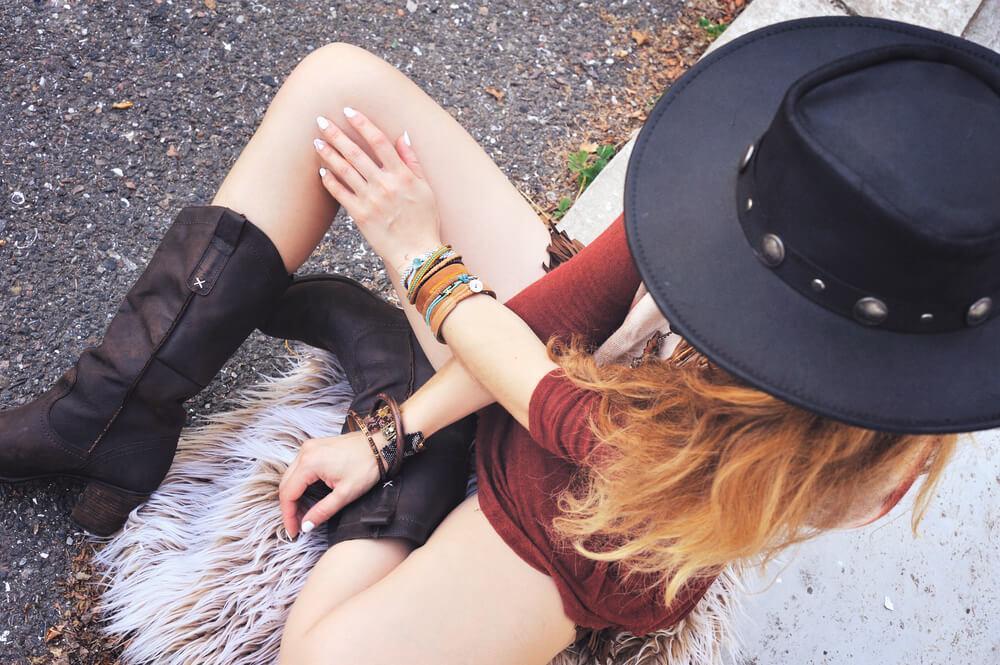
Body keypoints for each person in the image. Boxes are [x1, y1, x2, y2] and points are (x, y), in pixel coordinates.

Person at [2, 15, 998, 665]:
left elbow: (572, 424)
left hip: (615, 507)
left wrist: (422, 267)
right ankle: (108, 414)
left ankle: (407, 437)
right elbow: (584, 300)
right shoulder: (791, 183)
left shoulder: (859, 443)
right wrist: (404, 416)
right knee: (338, 87)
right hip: (600, 377)